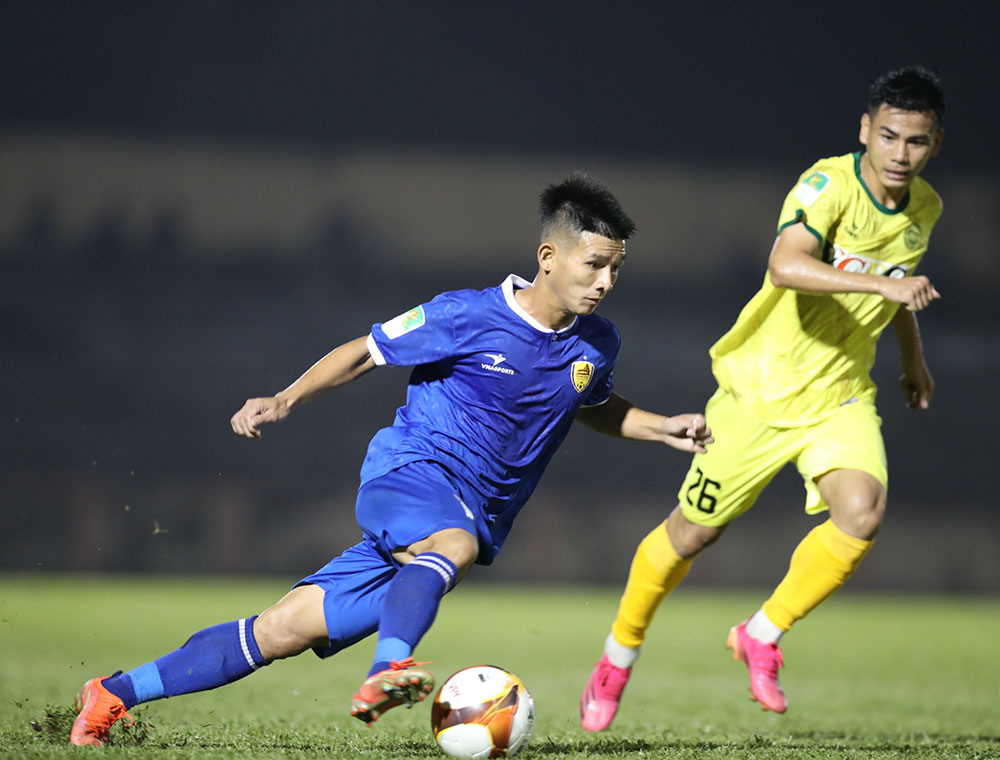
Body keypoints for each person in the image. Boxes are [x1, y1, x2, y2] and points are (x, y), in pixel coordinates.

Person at [70, 173, 714, 746]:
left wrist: (662, 427)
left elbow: (590, 403)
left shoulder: (598, 342)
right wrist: (285, 398)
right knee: (453, 544)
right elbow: (364, 351)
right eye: (594, 265)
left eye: (615, 269)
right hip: (409, 477)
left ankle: (111, 694)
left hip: (458, 521)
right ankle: (389, 670)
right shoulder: (465, 315)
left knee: (279, 631)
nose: (605, 282)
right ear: (548, 257)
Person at [580, 65, 945, 731]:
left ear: (934, 144)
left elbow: (896, 286)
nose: (900, 153)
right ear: (865, 130)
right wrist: (885, 288)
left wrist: (912, 358)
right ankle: (617, 656)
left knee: (861, 513)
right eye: (889, 136)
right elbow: (786, 264)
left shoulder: (924, 209)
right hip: (761, 389)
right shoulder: (828, 185)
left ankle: (762, 633)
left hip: (840, 395)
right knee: (692, 534)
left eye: (915, 141)